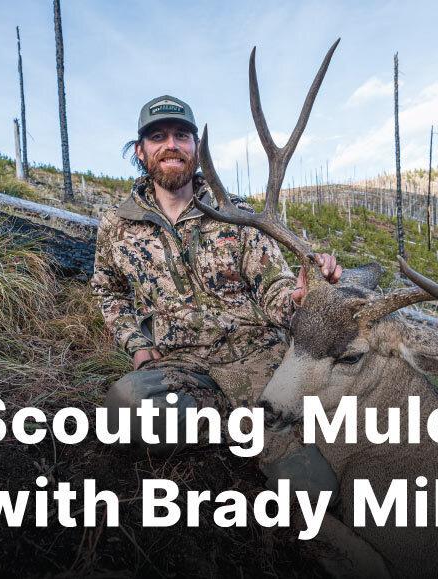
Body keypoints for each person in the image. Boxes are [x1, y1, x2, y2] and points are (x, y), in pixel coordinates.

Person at [90, 95, 341, 497]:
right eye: (158, 136)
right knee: (124, 408)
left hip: (263, 361)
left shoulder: (238, 214)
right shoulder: (116, 226)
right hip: (186, 367)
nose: (171, 144)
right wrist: (136, 345)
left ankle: (273, 432)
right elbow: (109, 291)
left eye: (181, 136)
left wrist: (297, 298)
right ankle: (255, 428)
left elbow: (274, 287)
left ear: (196, 148)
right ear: (141, 151)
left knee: (316, 491)